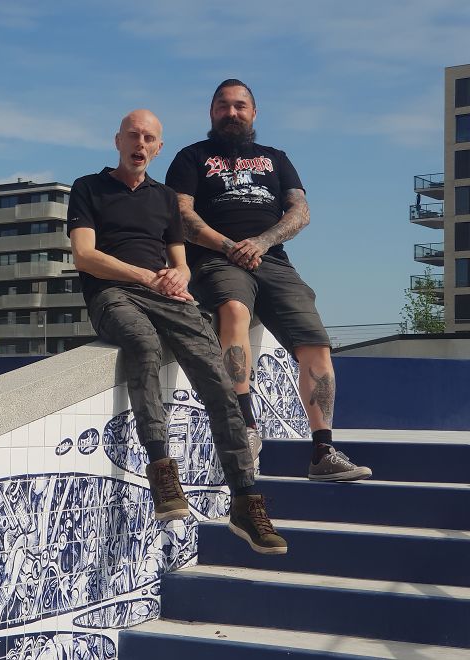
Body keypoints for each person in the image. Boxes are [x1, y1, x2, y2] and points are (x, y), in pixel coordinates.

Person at [68, 108, 287, 554]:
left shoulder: (165, 197)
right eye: (133, 136)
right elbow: (85, 256)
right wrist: (146, 276)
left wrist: (178, 277)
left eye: (149, 138)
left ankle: (245, 498)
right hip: (113, 294)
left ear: (158, 146)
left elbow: (180, 260)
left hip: (164, 294)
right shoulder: (89, 187)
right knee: (144, 345)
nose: (140, 144)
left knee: (216, 373)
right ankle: (161, 469)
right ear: (118, 140)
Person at [165, 79, 372, 482]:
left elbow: (300, 212)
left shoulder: (275, 158)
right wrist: (229, 246)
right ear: (211, 113)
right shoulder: (191, 158)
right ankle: (246, 427)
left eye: (240, 106)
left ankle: (323, 450)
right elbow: (181, 216)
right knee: (234, 311)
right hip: (215, 259)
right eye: (223, 106)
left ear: (253, 113)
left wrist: (261, 242)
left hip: (272, 260)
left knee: (316, 344)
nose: (232, 113)